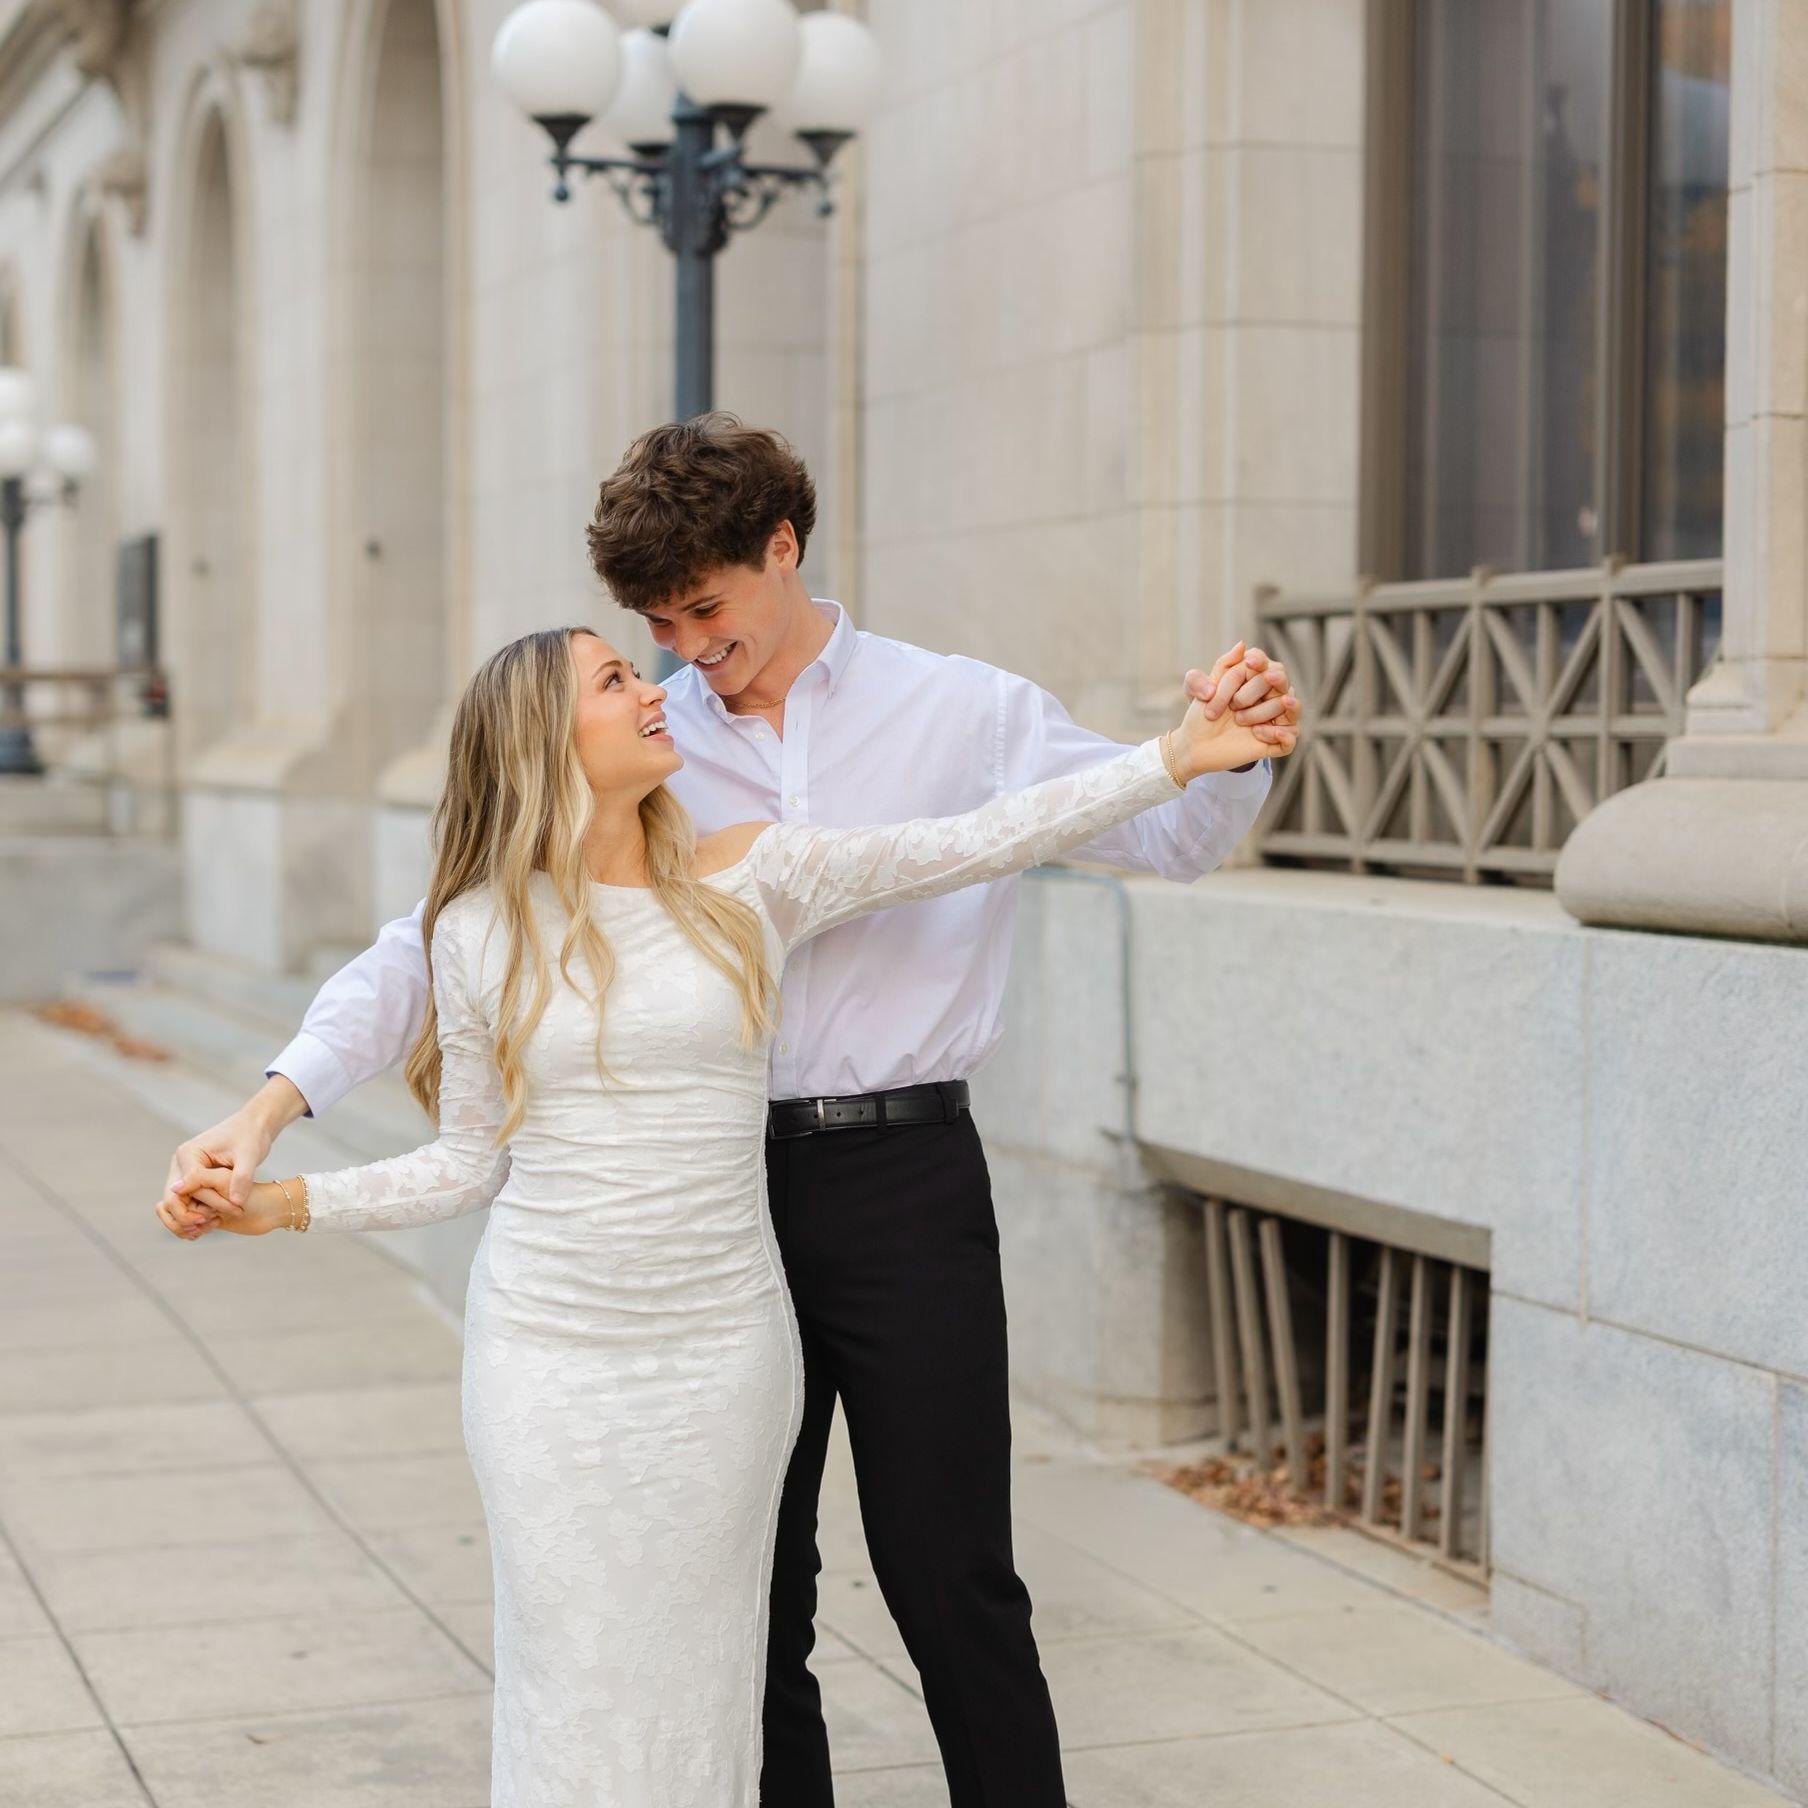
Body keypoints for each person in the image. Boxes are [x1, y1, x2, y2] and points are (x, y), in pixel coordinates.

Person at [161, 416, 1298, 1807]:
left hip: (904, 1178)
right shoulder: (642, 740)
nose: (685, 652)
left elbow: (1125, 838)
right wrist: (274, 1107)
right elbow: (432, 944)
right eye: (654, 627)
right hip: (712, 1204)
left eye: (705, 610)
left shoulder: (964, 710)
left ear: (782, 547)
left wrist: (1220, 749)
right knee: (754, 1605)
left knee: (955, 1578)